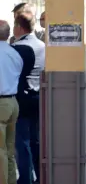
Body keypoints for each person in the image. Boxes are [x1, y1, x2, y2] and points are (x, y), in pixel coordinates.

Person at [12, 11, 45, 184]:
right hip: (39, 98)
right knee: (35, 141)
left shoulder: (19, 48)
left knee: (22, 143)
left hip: (22, 100)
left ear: (18, 27)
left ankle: (25, 179)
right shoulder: (42, 45)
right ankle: (40, 177)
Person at [0, 20, 23, 184]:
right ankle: (10, 181)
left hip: (1, 105)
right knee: (9, 149)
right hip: (12, 103)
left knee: (0, 150)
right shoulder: (14, 53)